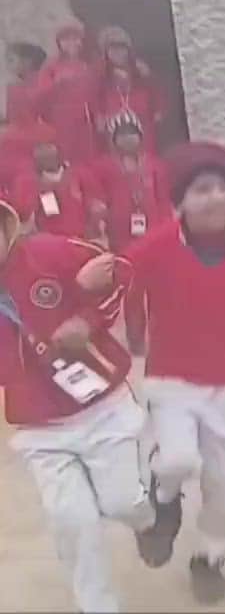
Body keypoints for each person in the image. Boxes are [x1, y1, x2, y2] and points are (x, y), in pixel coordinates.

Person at [93, 141, 225, 604]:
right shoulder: (156, 246)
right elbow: (118, 280)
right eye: (200, 190)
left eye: (221, 188)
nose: (213, 199)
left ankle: (209, 559)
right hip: (171, 381)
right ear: (180, 201)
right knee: (177, 459)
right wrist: (106, 308)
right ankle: (163, 499)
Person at [0, 195, 179, 613]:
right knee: (71, 522)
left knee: (122, 503)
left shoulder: (47, 252)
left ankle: (154, 516)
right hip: (38, 428)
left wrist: (87, 317)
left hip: (102, 408)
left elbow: (120, 271)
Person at [91, 112, 172, 354]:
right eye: (122, 135)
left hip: (155, 235)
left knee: (161, 290)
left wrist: (169, 230)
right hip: (123, 237)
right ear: (113, 139)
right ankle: (136, 340)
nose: (128, 140)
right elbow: (99, 198)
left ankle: (164, 337)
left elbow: (164, 200)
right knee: (132, 291)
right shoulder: (104, 167)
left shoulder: (155, 165)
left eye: (133, 134)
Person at [12, 130, 105, 239]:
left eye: (49, 146)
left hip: (80, 240)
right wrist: (42, 191)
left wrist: (94, 220)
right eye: (40, 148)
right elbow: (22, 215)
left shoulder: (80, 174)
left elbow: (97, 204)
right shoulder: (25, 181)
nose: (45, 152)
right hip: (46, 242)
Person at [38, 22, 102, 165]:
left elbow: (95, 93)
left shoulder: (87, 65)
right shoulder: (51, 66)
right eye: (66, 39)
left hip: (85, 118)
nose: (71, 43)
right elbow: (41, 95)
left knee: (88, 155)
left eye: (76, 39)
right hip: (61, 118)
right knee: (65, 154)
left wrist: (98, 114)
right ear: (59, 43)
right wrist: (57, 83)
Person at [95, 26, 165, 155]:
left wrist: (157, 110)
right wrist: (100, 115)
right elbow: (96, 97)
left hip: (141, 121)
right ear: (106, 52)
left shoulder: (141, 71)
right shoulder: (101, 74)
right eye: (113, 50)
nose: (118, 53)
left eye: (121, 49)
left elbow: (155, 92)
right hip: (114, 124)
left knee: (146, 153)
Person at [6, 41, 51, 127]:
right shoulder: (12, 87)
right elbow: (11, 120)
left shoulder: (44, 84)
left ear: (27, 62)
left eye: (11, 60)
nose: (8, 65)